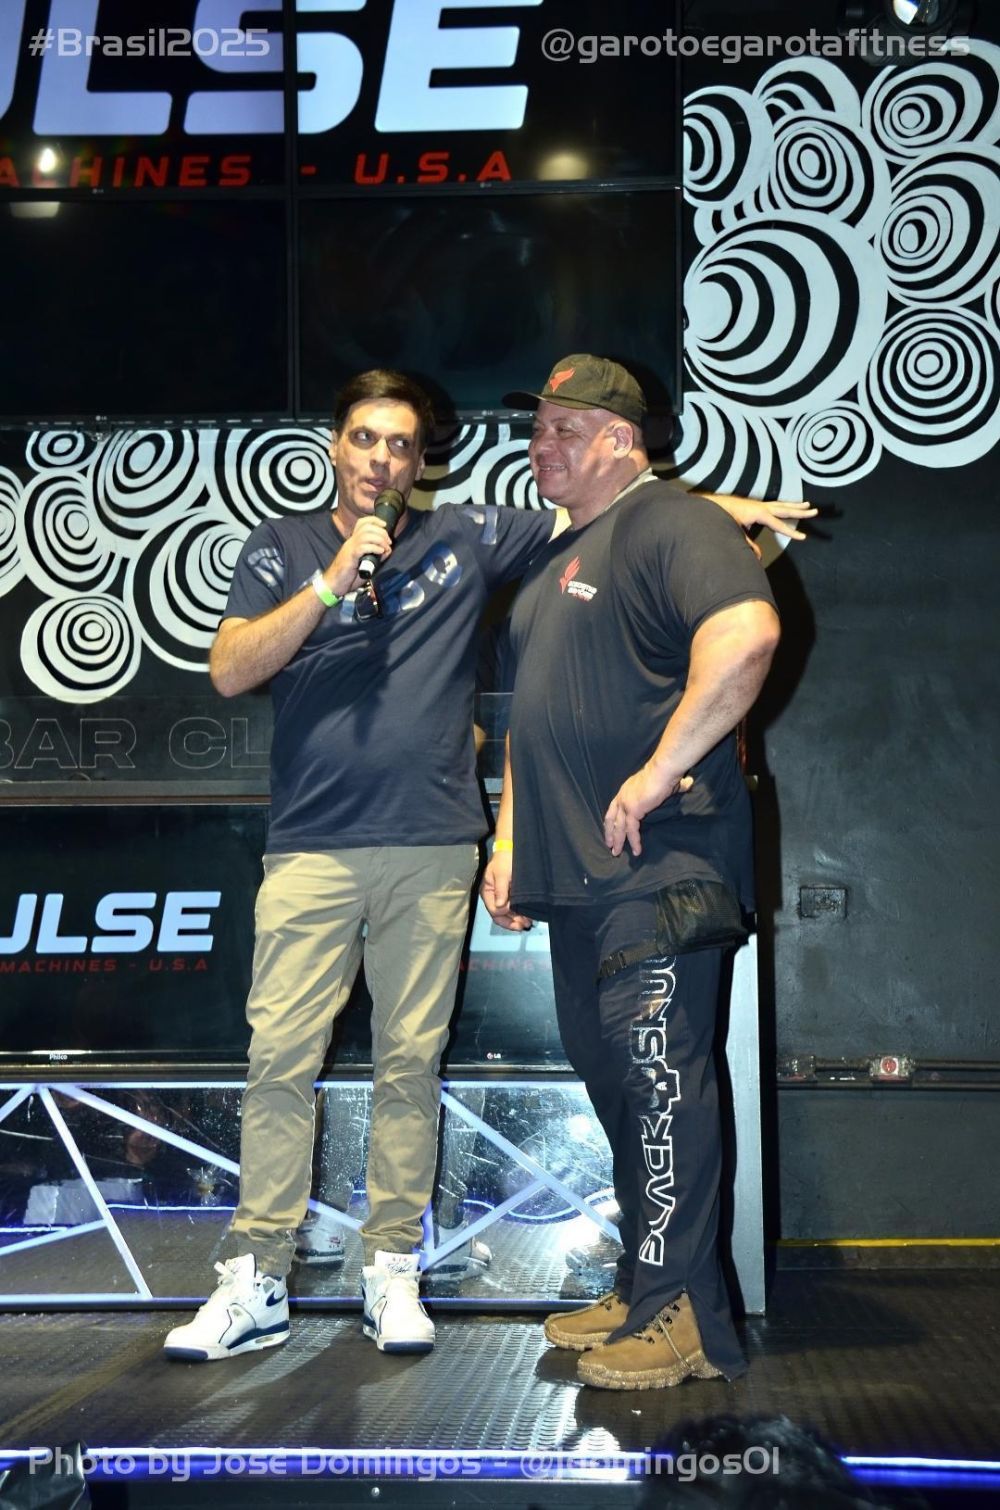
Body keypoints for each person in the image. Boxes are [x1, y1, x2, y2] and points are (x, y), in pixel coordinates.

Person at [164, 366, 808, 1365]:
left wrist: (715, 512)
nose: (383, 459)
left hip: (446, 846)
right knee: (281, 1061)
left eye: (403, 444)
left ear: (423, 461)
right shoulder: (281, 546)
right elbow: (230, 667)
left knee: (415, 1067)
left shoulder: (469, 535)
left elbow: (627, 508)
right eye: (366, 438)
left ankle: (396, 1269)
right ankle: (256, 1276)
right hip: (317, 847)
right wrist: (332, 579)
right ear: (334, 446)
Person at [481, 354, 784, 1390]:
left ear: (623, 441)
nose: (543, 444)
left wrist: (659, 771)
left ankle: (686, 1318)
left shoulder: (670, 523)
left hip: (664, 866)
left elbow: (746, 635)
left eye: (566, 428)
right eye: (538, 427)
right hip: (578, 879)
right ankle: (647, 1279)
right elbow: (525, 721)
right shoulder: (555, 561)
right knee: (618, 1085)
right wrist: (508, 842)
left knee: (659, 1084)